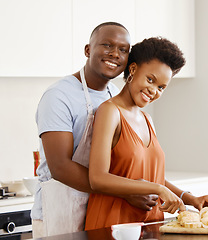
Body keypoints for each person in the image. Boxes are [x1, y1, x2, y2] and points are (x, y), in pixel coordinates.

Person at [32, 22, 159, 238]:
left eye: (123, 50)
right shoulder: (58, 96)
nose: (115, 54)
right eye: (107, 45)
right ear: (88, 50)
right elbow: (60, 167)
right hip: (61, 211)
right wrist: (126, 192)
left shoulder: (115, 94)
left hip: (101, 209)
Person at [84, 37, 208, 230]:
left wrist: (190, 198)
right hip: (114, 227)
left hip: (150, 225)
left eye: (161, 87)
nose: (153, 91)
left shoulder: (147, 120)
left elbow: (150, 175)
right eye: (150, 80)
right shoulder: (110, 111)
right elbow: (97, 178)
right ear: (132, 70)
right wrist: (158, 189)